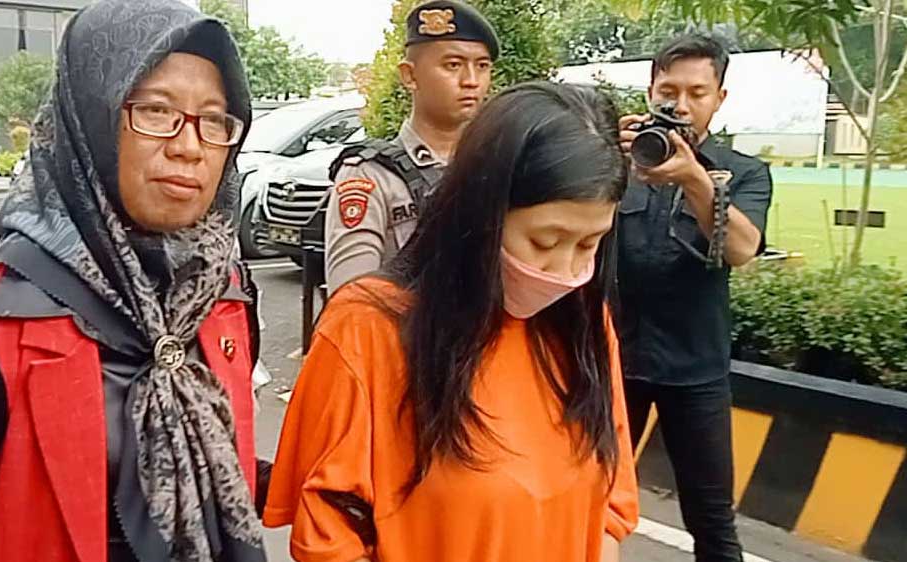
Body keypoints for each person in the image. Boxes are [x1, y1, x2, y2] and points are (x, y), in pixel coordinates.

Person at [0, 1, 268, 561]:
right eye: (156, 110)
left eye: (215, 119)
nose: (190, 146)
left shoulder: (219, 295)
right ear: (89, 122)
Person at [265, 83, 639, 562]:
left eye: (589, 244)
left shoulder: (584, 324)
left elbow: (610, 507)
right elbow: (329, 539)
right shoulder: (368, 329)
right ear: (480, 216)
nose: (565, 271)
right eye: (545, 242)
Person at [616, 33, 773, 562]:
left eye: (696, 93)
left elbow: (742, 250)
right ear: (650, 92)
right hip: (613, 362)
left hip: (695, 368)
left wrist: (695, 179)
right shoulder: (619, 159)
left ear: (719, 98)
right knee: (590, 499)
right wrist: (598, 151)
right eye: (668, 91)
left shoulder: (743, 171)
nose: (680, 105)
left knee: (711, 521)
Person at [324, 0, 498, 294]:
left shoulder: (499, 164)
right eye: (453, 65)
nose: (471, 81)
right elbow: (351, 299)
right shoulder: (370, 176)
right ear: (410, 76)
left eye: (482, 66)